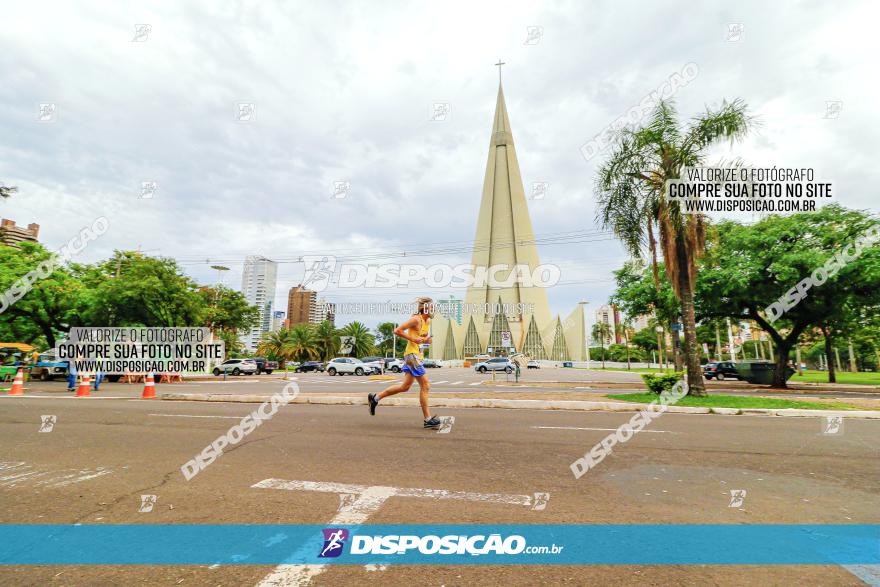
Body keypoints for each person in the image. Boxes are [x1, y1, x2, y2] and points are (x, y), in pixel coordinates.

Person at [368, 297, 441, 428]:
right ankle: (428, 419)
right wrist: (413, 338)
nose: (434, 309)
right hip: (412, 355)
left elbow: (420, 338)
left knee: (405, 387)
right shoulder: (416, 319)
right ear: (425, 308)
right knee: (426, 385)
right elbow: (397, 331)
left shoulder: (427, 321)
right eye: (432, 307)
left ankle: (375, 399)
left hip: (416, 355)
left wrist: (426, 340)